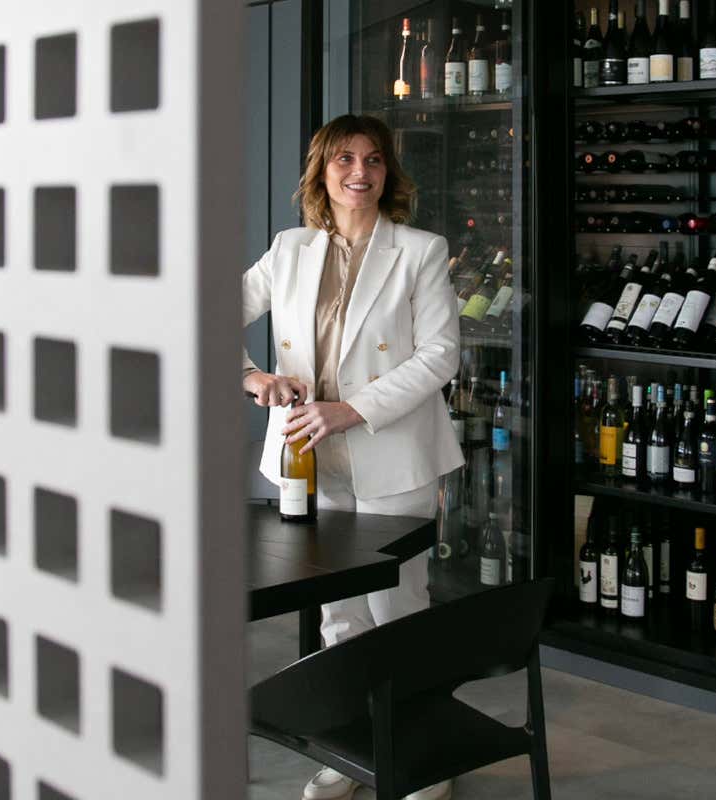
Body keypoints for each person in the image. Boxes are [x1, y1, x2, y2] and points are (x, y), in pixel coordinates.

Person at [242, 114, 463, 800]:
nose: (359, 172)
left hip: (389, 451)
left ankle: (423, 754)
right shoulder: (289, 248)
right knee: (337, 614)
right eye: (344, 159)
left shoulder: (420, 251)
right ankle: (353, 748)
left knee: (397, 607)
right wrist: (254, 378)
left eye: (372, 159)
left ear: (388, 172)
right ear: (322, 171)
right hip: (307, 457)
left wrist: (352, 409)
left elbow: (440, 354)